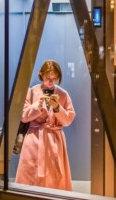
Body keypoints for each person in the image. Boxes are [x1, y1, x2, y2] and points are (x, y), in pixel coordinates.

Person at [15, 59, 75, 191]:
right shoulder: (31, 92)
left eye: (55, 78)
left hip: (55, 140)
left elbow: (68, 120)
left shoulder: (63, 94)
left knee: (54, 177)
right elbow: (24, 116)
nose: (51, 81)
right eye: (48, 78)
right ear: (41, 75)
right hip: (34, 139)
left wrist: (57, 108)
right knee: (31, 174)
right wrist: (39, 105)